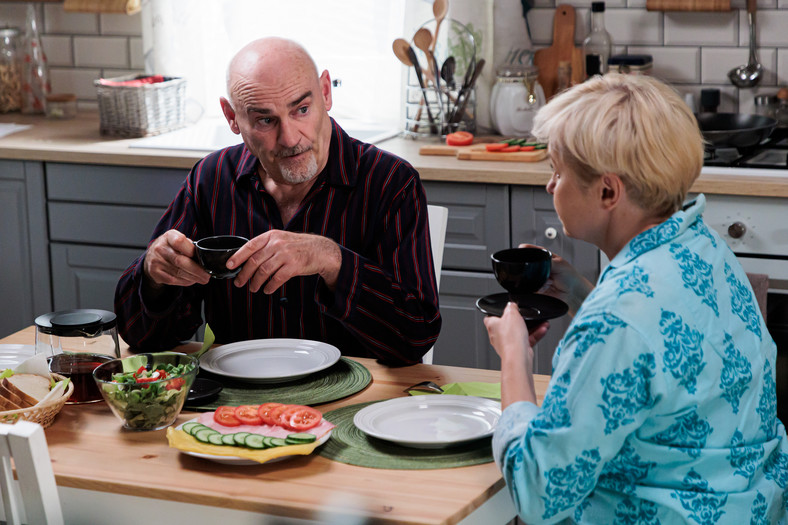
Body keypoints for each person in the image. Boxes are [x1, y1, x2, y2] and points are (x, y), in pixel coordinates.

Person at [485, 73, 788, 523]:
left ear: (608, 191)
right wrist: (580, 293)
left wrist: (514, 360)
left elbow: (539, 492)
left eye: (557, 170)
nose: (550, 186)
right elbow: (664, 353)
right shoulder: (705, 249)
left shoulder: (618, 318)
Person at [114, 37, 441, 366]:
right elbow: (142, 338)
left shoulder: (391, 182)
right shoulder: (211, 180)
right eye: (265, 120)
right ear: (232, 117)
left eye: (301, 109)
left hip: (359, 399)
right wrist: (153, 275)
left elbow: (413, 339)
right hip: (235, 405)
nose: (290, 138)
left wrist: (330, 260)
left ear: (326, 93)